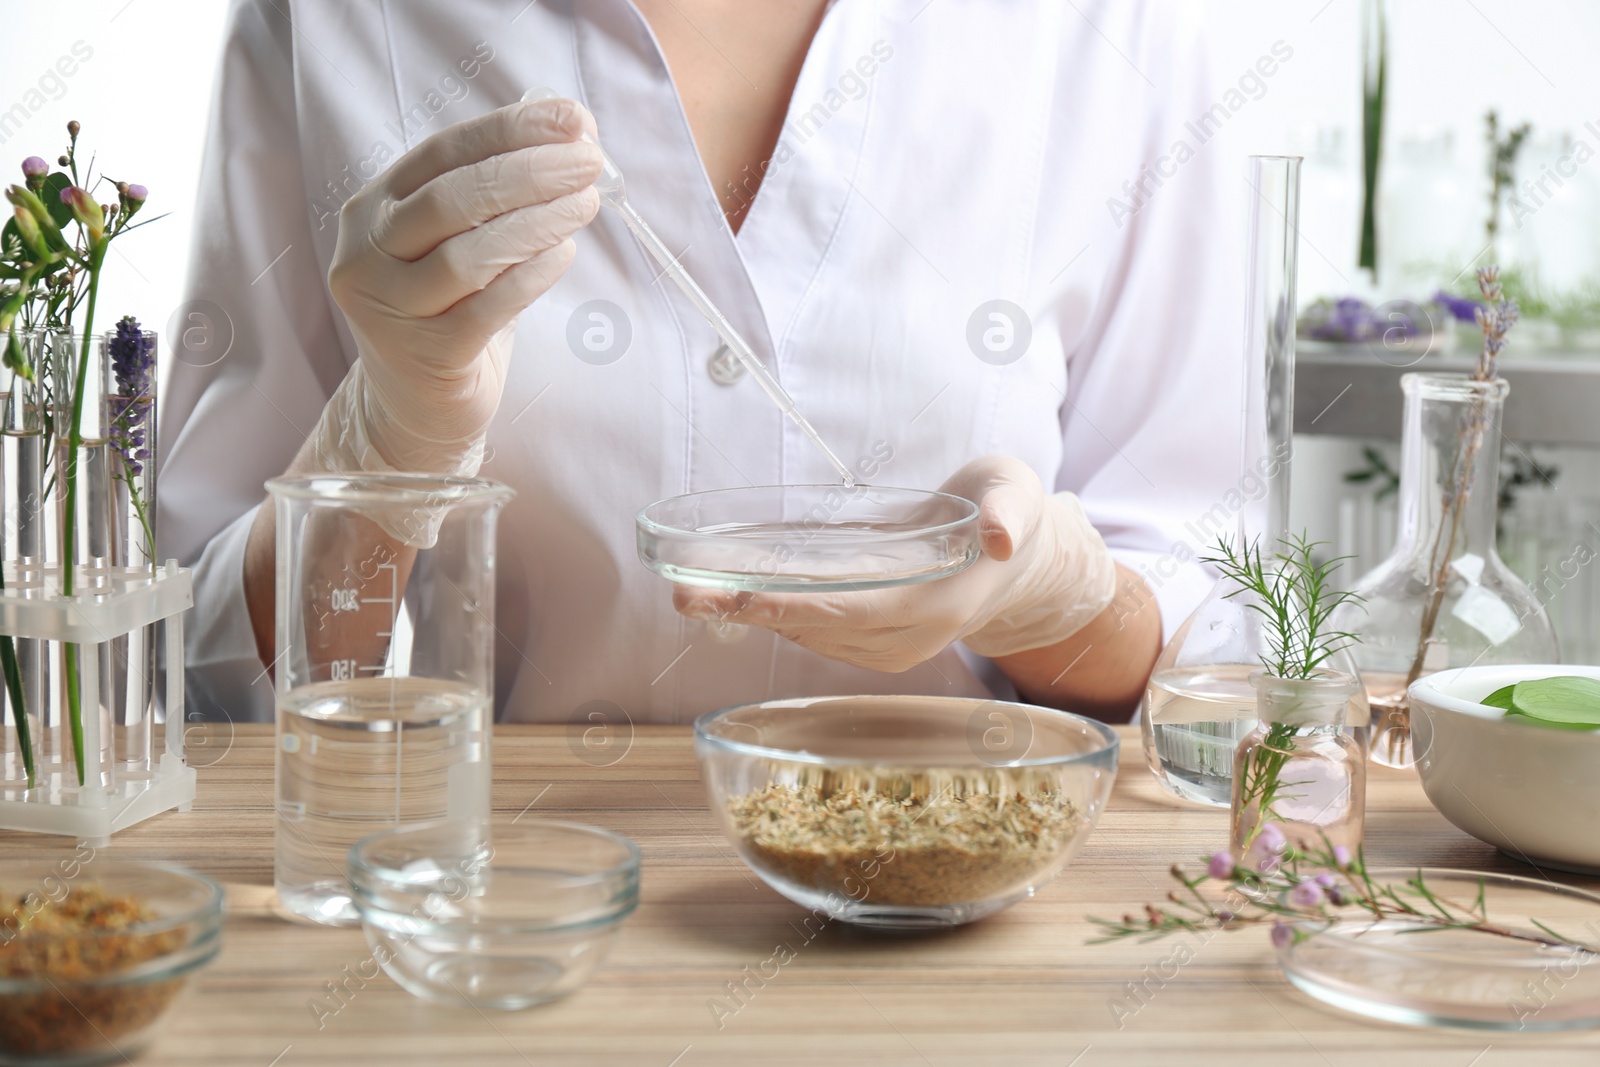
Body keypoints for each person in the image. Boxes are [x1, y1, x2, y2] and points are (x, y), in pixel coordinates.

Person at [161, 0, 1243, 726]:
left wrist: (1055, 595)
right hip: (518, 922)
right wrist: (385, 444)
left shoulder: (1118, 27)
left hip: (970, 910)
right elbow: (197, 677)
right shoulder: (331, 22)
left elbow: (1219, 653)